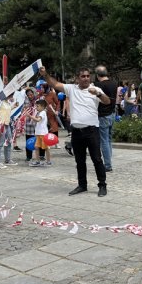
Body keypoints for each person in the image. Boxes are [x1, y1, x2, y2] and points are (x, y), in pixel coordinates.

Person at [44, 67, 111, 197]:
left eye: (87, 76)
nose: (86, 78)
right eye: (83, 76)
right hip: (77, 131)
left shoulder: (95, 89)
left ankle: (102, 185)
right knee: (79, 160)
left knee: (97, 159)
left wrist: (98, 94)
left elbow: (107, 101)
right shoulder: (71, 89)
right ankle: (82, 185)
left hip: (92, 130)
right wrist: (44, 74)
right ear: (77, 78)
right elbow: (54, 84)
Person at [95, 65, 118, 172]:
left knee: (103, 141)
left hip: (103, 114)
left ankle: (108, 165)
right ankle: (109, 161)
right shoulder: (114, 83)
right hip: (112, 113)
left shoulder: (98, 85)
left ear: (97, 75)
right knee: (109, 140)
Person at [0, 93, 18, 168]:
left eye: (12, 95)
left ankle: (7, 160)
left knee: (9, 141)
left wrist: (13, 107)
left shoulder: (7, 102)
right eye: (10, 95)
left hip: (6, 123)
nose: (11, 96)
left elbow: (5, 111)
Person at [28, 99, 51, 166]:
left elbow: (38, 120)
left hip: (43, 133)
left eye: (38, 106)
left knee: (46, 148)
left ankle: (48, 161)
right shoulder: (40, 113)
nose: (36, 107)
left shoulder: (43, 113)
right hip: (38, 133)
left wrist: (30, 116)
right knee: (36, 147)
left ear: (42, 106)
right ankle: (37, 161)